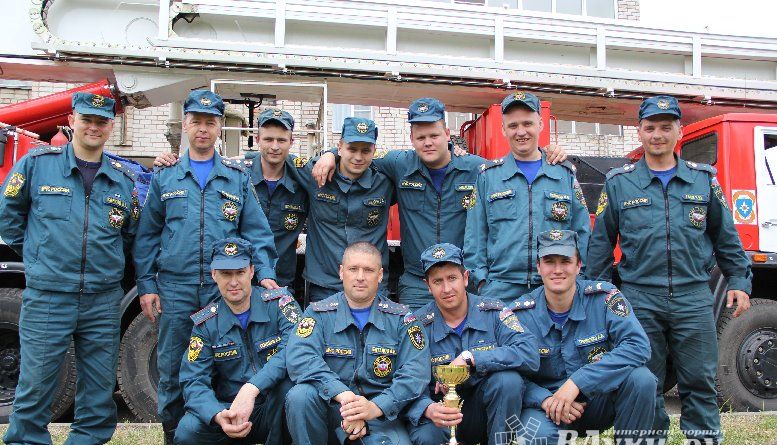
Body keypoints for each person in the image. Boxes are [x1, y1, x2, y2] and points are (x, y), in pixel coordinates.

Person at [586, 95, 751, 445]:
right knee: (647, 386)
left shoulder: (702, 180)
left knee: (699, 386)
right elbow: (600, 247)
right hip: (640, 298)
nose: (657, 134)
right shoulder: (619, 183)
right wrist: (597, 294)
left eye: (665, 126)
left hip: (694, 297)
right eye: (650, 127)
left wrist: (740, 280)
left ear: (678, 132)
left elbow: (726, 237)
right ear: (639, 132)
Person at [0, 93, 139, 445]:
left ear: (110, 127)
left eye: (102, 121)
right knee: (38, 384)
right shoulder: (37, 166)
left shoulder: (121, 179)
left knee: (97, 387)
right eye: (87, 119)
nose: (94, 127)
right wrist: (41, 259)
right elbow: (10, 217)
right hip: (49, 297)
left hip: (101, 298)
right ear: (72, 120)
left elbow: (129, 234)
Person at [133, 89, 277, 445]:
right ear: (185, 125)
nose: (202, 128)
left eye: (210, 122)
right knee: (173, 365)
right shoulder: (165, 177)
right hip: (176, 287)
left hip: (222, 288)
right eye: (195, 121)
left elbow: (257, 233)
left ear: (219, 128)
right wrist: (147, 283)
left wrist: (264, 273)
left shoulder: (235, 179)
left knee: (220, 366)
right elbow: (147, 235)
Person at [312, 97, 569, 309]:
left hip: (461, 281)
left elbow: (516, 170)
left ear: (447, 133)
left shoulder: (477, 168)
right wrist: (330, 155)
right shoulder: (398, 164)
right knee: (415, 347)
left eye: (434, 135)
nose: (428, 142)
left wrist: (546, 154)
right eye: (421, 137)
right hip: (417, 282)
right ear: (411, 139)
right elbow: (359, 159)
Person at [516, 230, 655, 445]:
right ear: (538, 267)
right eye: (549, 261)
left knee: (642, 380)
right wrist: (546, 399)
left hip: (595, 403)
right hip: (548, 409)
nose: (557, 269)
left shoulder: (604, 298)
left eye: (565, 260)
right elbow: (512, 376)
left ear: (579, 265)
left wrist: (578, 382)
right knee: (536, 440)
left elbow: (639, 346)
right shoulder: (520, 314)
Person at [284, 241, 429, 445]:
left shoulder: (402, 319)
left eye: (368, 269)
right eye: (353, 269)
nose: (360, 276)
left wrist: (375, 407)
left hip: (380, 414)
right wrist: (344, 395)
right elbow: (300, 358)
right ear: (341, 272)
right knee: (299, 396)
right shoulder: (317, 313)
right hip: (331, 411)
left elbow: (416, 373)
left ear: (380, 275)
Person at [405, 243, 539, 445]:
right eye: (438, 281)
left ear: (466, 278)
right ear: (427, 286)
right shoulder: (417, 324)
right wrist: (428, 405)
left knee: (508, 381)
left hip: (483, 413)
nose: (447, 288)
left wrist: (472, 358)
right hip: (440, 416)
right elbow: (405, 377)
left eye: (452, 278)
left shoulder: (495, 312)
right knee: (425, 432)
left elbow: (529, 354)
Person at [175, 238, 301, 445]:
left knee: (290, 390)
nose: (233, 282)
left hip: (273, 408)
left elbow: (294, 352)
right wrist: (217, 415)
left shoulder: (280, 305)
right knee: (187, 431)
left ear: (252, 271)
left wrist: (252, 388)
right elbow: (193, 381)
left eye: (240, 273)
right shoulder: (206, 323)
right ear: (213, 275)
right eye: (225, 274)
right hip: (233, 411)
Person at [154, 108, 308, 293]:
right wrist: (169, 161)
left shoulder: (302, 181)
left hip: (279, 280)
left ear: (292, 142)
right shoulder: (234, 176)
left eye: (281, 140)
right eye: (268, 139)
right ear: (257, 139)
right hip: (235, 280)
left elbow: (340, 164)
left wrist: (331, 154)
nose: (274, 146)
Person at [464, 92, 590, 302]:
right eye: (513, 126)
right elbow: (474, 237)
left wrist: (580, 279)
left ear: (540, 124)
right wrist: (482, 282)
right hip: (501, 289)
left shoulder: (564, 175)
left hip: (554, 288)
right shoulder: (488, 177)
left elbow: (582, 233)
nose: (521, 132)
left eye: (527, 123)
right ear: (503, 129)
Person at [290, 118, 395, 302]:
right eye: (352, 149)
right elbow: (278, 158)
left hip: (371, 286)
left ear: (374, 151)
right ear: (340, 147)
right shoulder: (315, 174)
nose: (358, 157)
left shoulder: (386, 182)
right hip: (325, 285)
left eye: (365, 151)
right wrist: (328, 154)